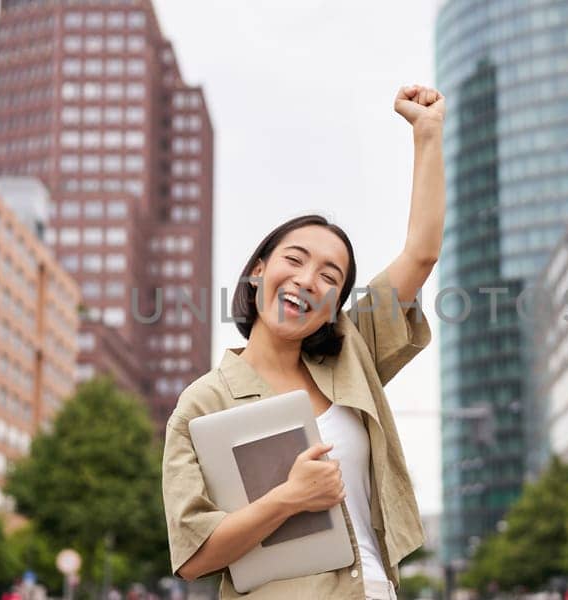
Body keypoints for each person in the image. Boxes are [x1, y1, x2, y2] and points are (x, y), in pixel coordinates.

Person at [161, 84, 446, 599]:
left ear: (335, 305)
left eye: (329, 275)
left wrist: (426, 133)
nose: (307, 279)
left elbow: (421, 254)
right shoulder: (203, 403)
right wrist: (289, 498)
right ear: (257, 271)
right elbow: (194, 556)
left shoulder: (352, 353)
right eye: (294, 259)